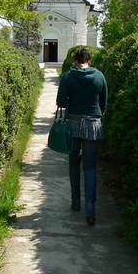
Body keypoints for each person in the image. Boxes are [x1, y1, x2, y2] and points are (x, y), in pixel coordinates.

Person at [56, 48, 108, 226]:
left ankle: (75, 202)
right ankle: (90, 211)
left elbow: (61, 102)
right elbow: (103, 103)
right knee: (90, 167)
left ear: (75, 61)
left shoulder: (68, 77)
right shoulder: (99, 76)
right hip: (93, 126)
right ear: (90, 61)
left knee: (73, 163)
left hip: (73, 125)